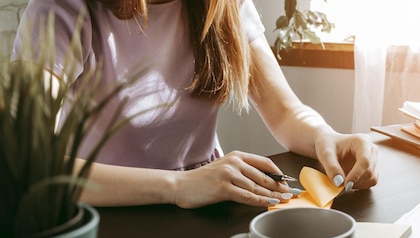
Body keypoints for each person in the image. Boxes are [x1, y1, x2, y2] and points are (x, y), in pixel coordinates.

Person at [12, 0, 378, 209]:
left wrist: (325, 136)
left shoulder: (223, 5)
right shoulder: (62, 9)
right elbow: (26, 161)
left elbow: (284, 110)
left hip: (208, 207)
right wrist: (179, 185)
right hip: (109, 219)